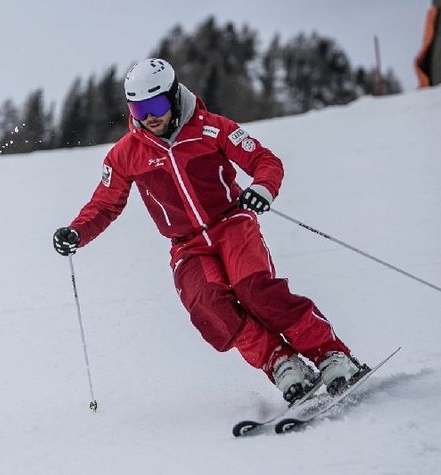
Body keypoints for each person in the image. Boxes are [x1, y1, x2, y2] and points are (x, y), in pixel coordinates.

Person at [53, 58, 365, 402]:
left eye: (156, 105)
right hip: (187, 245)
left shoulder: (212, 128)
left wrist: (262, 188)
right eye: (139, 109)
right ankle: (280, 362)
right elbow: (105, 204)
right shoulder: (126, 154)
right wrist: (77, 232)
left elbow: (264, 161)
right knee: (209, 308)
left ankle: (331, 354)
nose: (150, 117)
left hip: (232, 224)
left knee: (256, 290)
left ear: (173, 97)